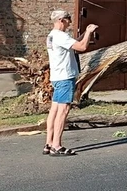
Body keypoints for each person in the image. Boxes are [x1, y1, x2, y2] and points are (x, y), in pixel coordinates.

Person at [44, 10, 98, 156]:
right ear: (61, 20)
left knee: (54, 110)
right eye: (68, 19)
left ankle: (48, 143)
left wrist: (84, 35)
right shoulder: (61, 36)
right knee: (63, 111)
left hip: (56, 76)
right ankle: (57, 145)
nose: (70, 22)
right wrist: (88, 31)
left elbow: (74, 44)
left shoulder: (51, 35)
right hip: (65, 77)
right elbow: (82, 47)